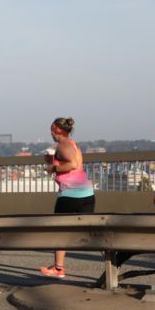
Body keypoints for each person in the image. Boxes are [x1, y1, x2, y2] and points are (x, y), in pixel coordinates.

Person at [41, 117, 96, 277]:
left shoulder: (63, 144)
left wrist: (52, 168)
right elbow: (74, 165)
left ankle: (58, 268)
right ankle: (110, 257)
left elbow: (71, 164)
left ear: (55, 129)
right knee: (91, 232)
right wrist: (53, 161)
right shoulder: (72, 144)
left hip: (71, 195)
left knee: (60, 230)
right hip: (86, 193)